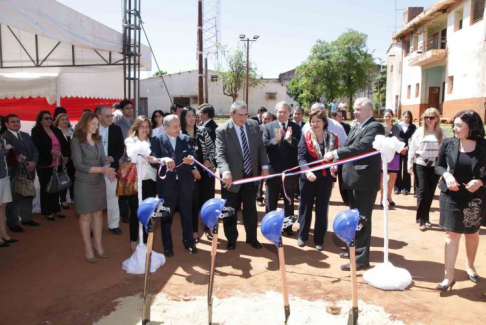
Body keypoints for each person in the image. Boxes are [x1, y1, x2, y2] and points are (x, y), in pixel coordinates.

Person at [324, 98, 385, 271]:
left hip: (364, 181)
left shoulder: (375, 127)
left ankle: (360, 259)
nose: (355, 112)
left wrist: (335, 153)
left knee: (362, 220)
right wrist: (337, 162)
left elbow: (363, 147)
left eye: (359, 109)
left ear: (369, 111)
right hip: (352, 179)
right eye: (355, 109)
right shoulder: (356, 125)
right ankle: (354, 249)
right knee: (354, 218)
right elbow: (350, 146)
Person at [435, 110, 486, 291]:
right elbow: (438, 165)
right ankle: (449, 277)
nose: (454, 128)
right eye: (454, 125)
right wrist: (447, 175)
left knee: (472, 234)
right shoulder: (448, 143)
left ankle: (470, 265)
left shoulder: (484, 146)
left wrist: (480, 181)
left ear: (471, 127)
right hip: (451, 194)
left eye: (458, 125)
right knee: (451, 235)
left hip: (475, 197)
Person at [215, 101, 269, 250]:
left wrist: (264, 166)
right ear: (231, 114)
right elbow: (219, 154)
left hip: (251, 175)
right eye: (240, 115)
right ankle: (231, 239)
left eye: (246, 115)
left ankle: (252, 238)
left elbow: (260, 148)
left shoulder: (254, 126)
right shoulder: (222, 130)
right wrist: (225, 171)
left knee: (251, 209)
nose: (243, 118)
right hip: (231, 177)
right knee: (230, 209)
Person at [71, 112, 116, 263]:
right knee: (85, 216)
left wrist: (108, 169)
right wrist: (102, 170)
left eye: (97, 124)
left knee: (98, 214)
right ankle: (88, 248)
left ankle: (98, 245)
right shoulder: (77, 142)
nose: (96, 127)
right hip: (84, 182)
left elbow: (103, 159)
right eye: (93, 124)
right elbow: (79, 165)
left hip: (98, 182)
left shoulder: (98, 140)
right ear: (85, 124)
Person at [150, 114, 197, 257]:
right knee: (166, 217)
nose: (179, 129)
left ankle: (189, 242)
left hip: (184, 183)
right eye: (175, 127)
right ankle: (168, 247)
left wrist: (191, 161)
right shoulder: (157, 140)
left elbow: (193, 155)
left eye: (179, 126)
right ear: (165, 128)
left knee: (187, 215)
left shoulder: (186, 139)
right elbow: (153, 158)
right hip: (167, 185)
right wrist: (163, 160)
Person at [298, 110, 336, 250]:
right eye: (312, 121)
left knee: (321, 208)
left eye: (317, 121)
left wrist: (335, 165)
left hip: (325, 179)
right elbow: (301, 158)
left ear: (324, 122)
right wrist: (307, 171)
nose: (315, 124)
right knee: (305, 207)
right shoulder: (306, 137)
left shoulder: (332, 138)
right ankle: (303, 235)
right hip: (308, 178)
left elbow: (337, 156)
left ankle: (319, 239)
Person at [263, 101, 301, 236]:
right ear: (276, 112)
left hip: (290, 170)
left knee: (289, 200)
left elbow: (300, 146)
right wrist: (276, 140)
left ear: (289, 113)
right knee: (270, 199)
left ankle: (288, 227)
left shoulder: (296, 128)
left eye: (284, 112)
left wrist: (290, 140)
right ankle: (270, 226)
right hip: (273, 169)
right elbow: (264, 145)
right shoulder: (268, 127)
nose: (282, 114)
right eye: (279, 111)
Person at [181, 107, 216, 242]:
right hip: (190, 175)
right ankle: (194, 232)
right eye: (188, 116)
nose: (191, 118)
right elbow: (181, 156)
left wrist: (208, 160)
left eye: (193, 116)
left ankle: (209, 228)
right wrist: (193, 170)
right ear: (183, 117)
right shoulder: (181, 134)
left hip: (206, 172)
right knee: (193, 204)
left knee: (208, 202)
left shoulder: (202, 131)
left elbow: (212, 148)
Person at [408, 108, 445, 231]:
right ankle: (421, 219)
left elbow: (445, 151)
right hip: (420, 164)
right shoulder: (419, 132)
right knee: (422, 191)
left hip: (435, 166)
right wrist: (409, 164)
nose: (429, 120)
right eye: (426, 117)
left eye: (432, 117)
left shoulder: (441, 133)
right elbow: (412, 149)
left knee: (430, 193)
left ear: (436, 119)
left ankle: (426, 217)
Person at [125, 116, 158, 251]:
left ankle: (145, 241)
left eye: (147, 126)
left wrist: (152, 159)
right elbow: (133, 157)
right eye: (142, 126)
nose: (145, 129)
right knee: (135, 212)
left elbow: (157, 159)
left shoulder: (154, 141)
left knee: (149, 212)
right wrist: (147, 158)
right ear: (136, 128)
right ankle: (134, 240)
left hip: (151, 181)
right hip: (136, 181)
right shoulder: (130, 141)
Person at [3, 114, 39, 232]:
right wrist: (20, 161)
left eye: (18, 121)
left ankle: (27, 218)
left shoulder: (25, 135)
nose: (16, 123)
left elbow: (35, 150)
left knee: (28, 193)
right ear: (6, 124)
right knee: (15, 198)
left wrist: (33, 162)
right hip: (15, 172)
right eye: (13, 122)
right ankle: (12, 223)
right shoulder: (5, 137)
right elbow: (8, 156)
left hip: (29, 170)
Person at [32, 111, 70, 221]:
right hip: (45, 163)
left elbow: (65, 144)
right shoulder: (36, 131)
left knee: (56, 187)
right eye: (46, 118)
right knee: (46, 188)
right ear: (40, 120)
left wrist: (66, 155)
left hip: (58, 163)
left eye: (50, 118)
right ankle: (47, 210)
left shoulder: (56, 130)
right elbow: (37, 147)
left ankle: (56, 209)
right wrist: (50, 151)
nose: (49, 120)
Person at [95, 106, 125, 235]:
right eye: (107, 116)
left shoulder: (116, 129)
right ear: (98, 116)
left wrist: (112, 158)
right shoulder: (93, 129)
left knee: (113, 197)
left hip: (111, 168)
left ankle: (113, 225)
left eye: (111, 116)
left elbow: (120, 148)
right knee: (94, 199)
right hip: (95, 169)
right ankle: (93, 227)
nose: (110, 118)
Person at [114, 99, 135, 224]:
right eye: (127, 108)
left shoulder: (136, 122)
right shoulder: (117, 123)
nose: (130, 110)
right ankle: (124, 213)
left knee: (134, 186)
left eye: (131, 108)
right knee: (123, 187)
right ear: (122, 110)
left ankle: (133, 210)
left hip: (135, 159)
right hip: (123, 159)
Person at [380, 109, 401, 207]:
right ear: (383, 117)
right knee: (382, 177)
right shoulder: (379, 127)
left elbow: (397, 140)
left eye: (389, 116)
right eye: (386, 116)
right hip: (382, 155)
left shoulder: (396, 128)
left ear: (392, 117)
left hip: (394, 155)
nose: (387, 118)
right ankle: (382, 198)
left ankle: (389, 196)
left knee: (393, 177)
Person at [53, 113, 75, 209]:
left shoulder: (70, 130)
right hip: (61, 159)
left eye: (66, 119)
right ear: (58, 121)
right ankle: (63, 200)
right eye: (62, 119)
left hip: (72, 159)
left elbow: (74, 144)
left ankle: (73, 198)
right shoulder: (56, 131)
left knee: (72, 179)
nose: (65, 121)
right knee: (63, 179)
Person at [394, 110, 417, 196]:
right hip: (398, 149)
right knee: (397, 169)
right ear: (402, 117)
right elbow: (395, 138)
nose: (407, 119)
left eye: (409, 117)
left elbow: (414, 139)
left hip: (409, 149)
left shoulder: (413, 127)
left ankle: (405, 188)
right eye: (405, 117)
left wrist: (407, 148)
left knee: (407, 169)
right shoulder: (397, 126)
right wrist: (400, 149)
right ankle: (397, 188)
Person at [0, 133, 17, 247]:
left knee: (2, 207)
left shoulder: (2, 140)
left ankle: (4, 234)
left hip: (5, 177)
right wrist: (5, 149)